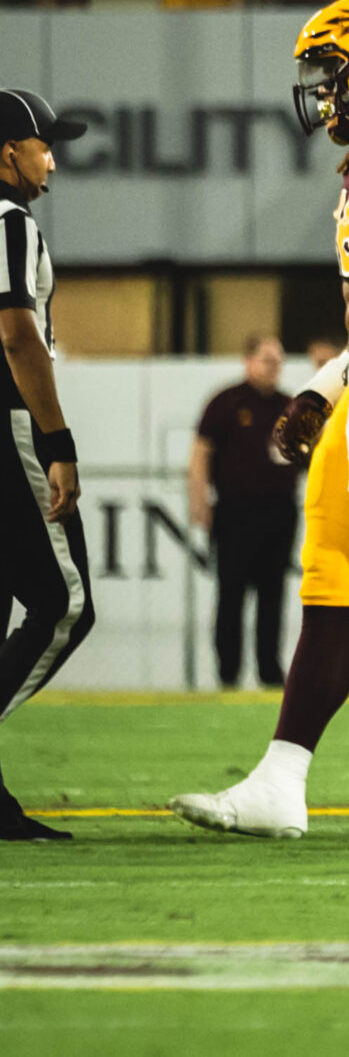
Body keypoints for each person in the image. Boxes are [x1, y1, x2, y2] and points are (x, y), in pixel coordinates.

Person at [170, 0, 349, 849]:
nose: (325, 92)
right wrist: (328, 385)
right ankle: (280, 781)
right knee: (329, 586)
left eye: (335, 72)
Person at [0, 89, 91, 842]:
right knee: (66, 602)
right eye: (43, 144)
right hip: (8, 423)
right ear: (8, 153)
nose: (50, 157)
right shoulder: (8, 221)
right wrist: (56, 441)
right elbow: (18, 334)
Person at [190, 336, 296, 689]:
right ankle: (228, 672)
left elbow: (314, 457)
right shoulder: (226, 402)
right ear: (248, 360)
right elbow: (202, 452)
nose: (273, 368)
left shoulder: (289, 406)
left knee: (273, 597)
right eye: (267, 361)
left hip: (278, 512)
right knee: (231, 594)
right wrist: (199, 499)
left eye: (278, 362)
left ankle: (269, 672)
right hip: (236, 511)